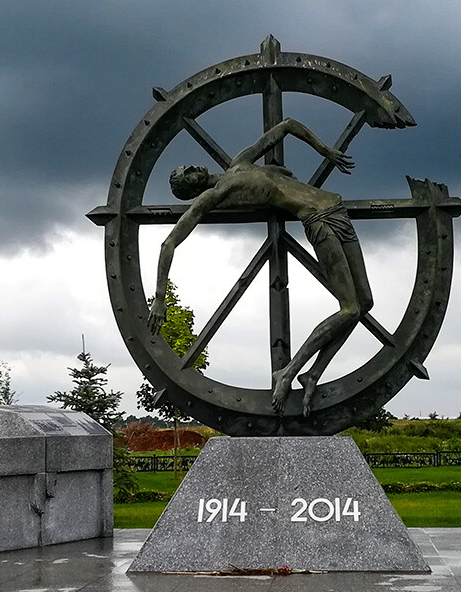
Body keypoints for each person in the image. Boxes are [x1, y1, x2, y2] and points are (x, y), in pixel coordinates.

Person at [152, 118, 370, 416]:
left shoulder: (240, 163)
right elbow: (169, 243)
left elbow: (287, 126)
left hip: (337, 211)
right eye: (185, 176)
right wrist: (160, 299)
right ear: (190, 191)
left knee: (364, 304)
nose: (191, 170)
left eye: (187, 166)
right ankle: (290, 371)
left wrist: (325, 150)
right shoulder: (213, 197)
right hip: (319, 223)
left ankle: (313, 374)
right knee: (349, 309)